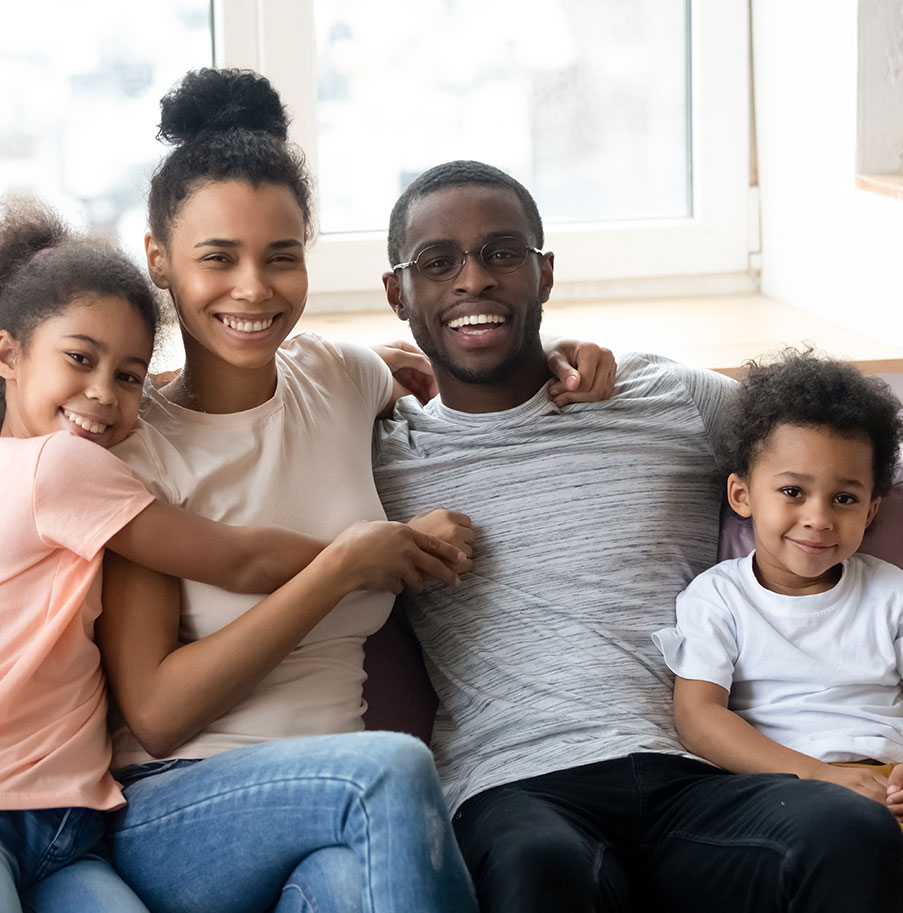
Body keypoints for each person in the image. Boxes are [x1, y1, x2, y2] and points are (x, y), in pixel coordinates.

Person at [97, 69, 606, 913]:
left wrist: (572, 355)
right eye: (217, 259)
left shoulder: (337, 376)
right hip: (182, 805)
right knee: (396, 765)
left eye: (281, 257)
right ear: (159, 260)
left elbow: (461, 363)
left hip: (351, 817)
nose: (253, 289)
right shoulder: (138, 448)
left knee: (344, 886)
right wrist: (337, 570)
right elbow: (154, 713)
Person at [371, 160, 903, 913]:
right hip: (515, 787)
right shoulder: (380, 453)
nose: (472, 280)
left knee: (848, 830)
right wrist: (355, 366)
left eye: (501, 253)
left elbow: (841, 447)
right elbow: (241, 420)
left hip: (694, 776)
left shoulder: (662, 396)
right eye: (437, 262)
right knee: (539, 875)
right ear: (396, 293)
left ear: (544, 273)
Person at [0, 200, 459, 912]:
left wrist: (536, 357)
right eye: (80, 360)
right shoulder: (73, 464)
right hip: (126, 800)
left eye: (127, 374)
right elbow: (239, 558)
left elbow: (335, 375)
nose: (103, 393)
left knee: (345, 884)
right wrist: (362, 556)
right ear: (6, 353)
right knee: (390, 771)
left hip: (68, 823)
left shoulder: (91, 452)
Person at [653, 349, 903, 818]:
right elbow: (699, 720)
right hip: (778, 789)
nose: (818, 519)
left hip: (888, 781)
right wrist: (818, 775)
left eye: (844, 498)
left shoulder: (892, 594)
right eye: (793, 492)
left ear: (871, 511)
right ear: (742, 495)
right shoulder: (718, 597)